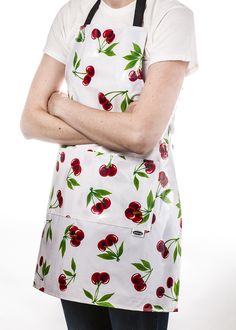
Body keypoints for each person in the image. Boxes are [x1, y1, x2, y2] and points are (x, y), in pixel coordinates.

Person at [20, 0, 198, 329]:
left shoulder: (171, 16)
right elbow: (30, 121)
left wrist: (59, 104)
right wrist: (118, 127)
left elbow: (142, 134)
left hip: (137, 230)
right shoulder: (72, 13)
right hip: (73, 226)